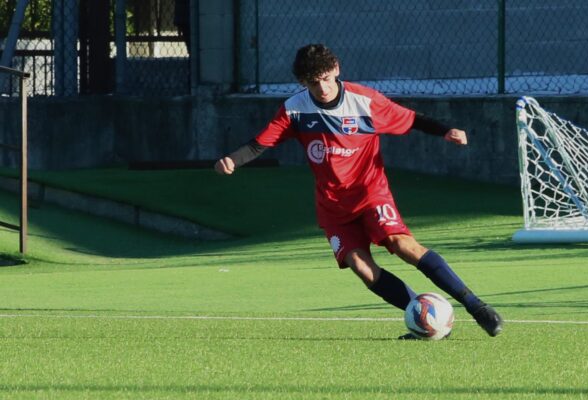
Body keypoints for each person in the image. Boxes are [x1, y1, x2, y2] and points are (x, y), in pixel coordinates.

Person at [214, 44, 503, 338]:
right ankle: (426, 321)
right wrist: (232, 160)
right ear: (303, 83)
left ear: (336, 69)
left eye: (326, 78)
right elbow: (258, 144)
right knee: (362, 268)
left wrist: (445, 130)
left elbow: (411, 118)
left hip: (370, 194)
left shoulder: (364, 101)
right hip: (333, 209)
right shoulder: (294, 109)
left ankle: (476, 306)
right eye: (314, 83)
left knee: (403, 246)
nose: (323, 88)